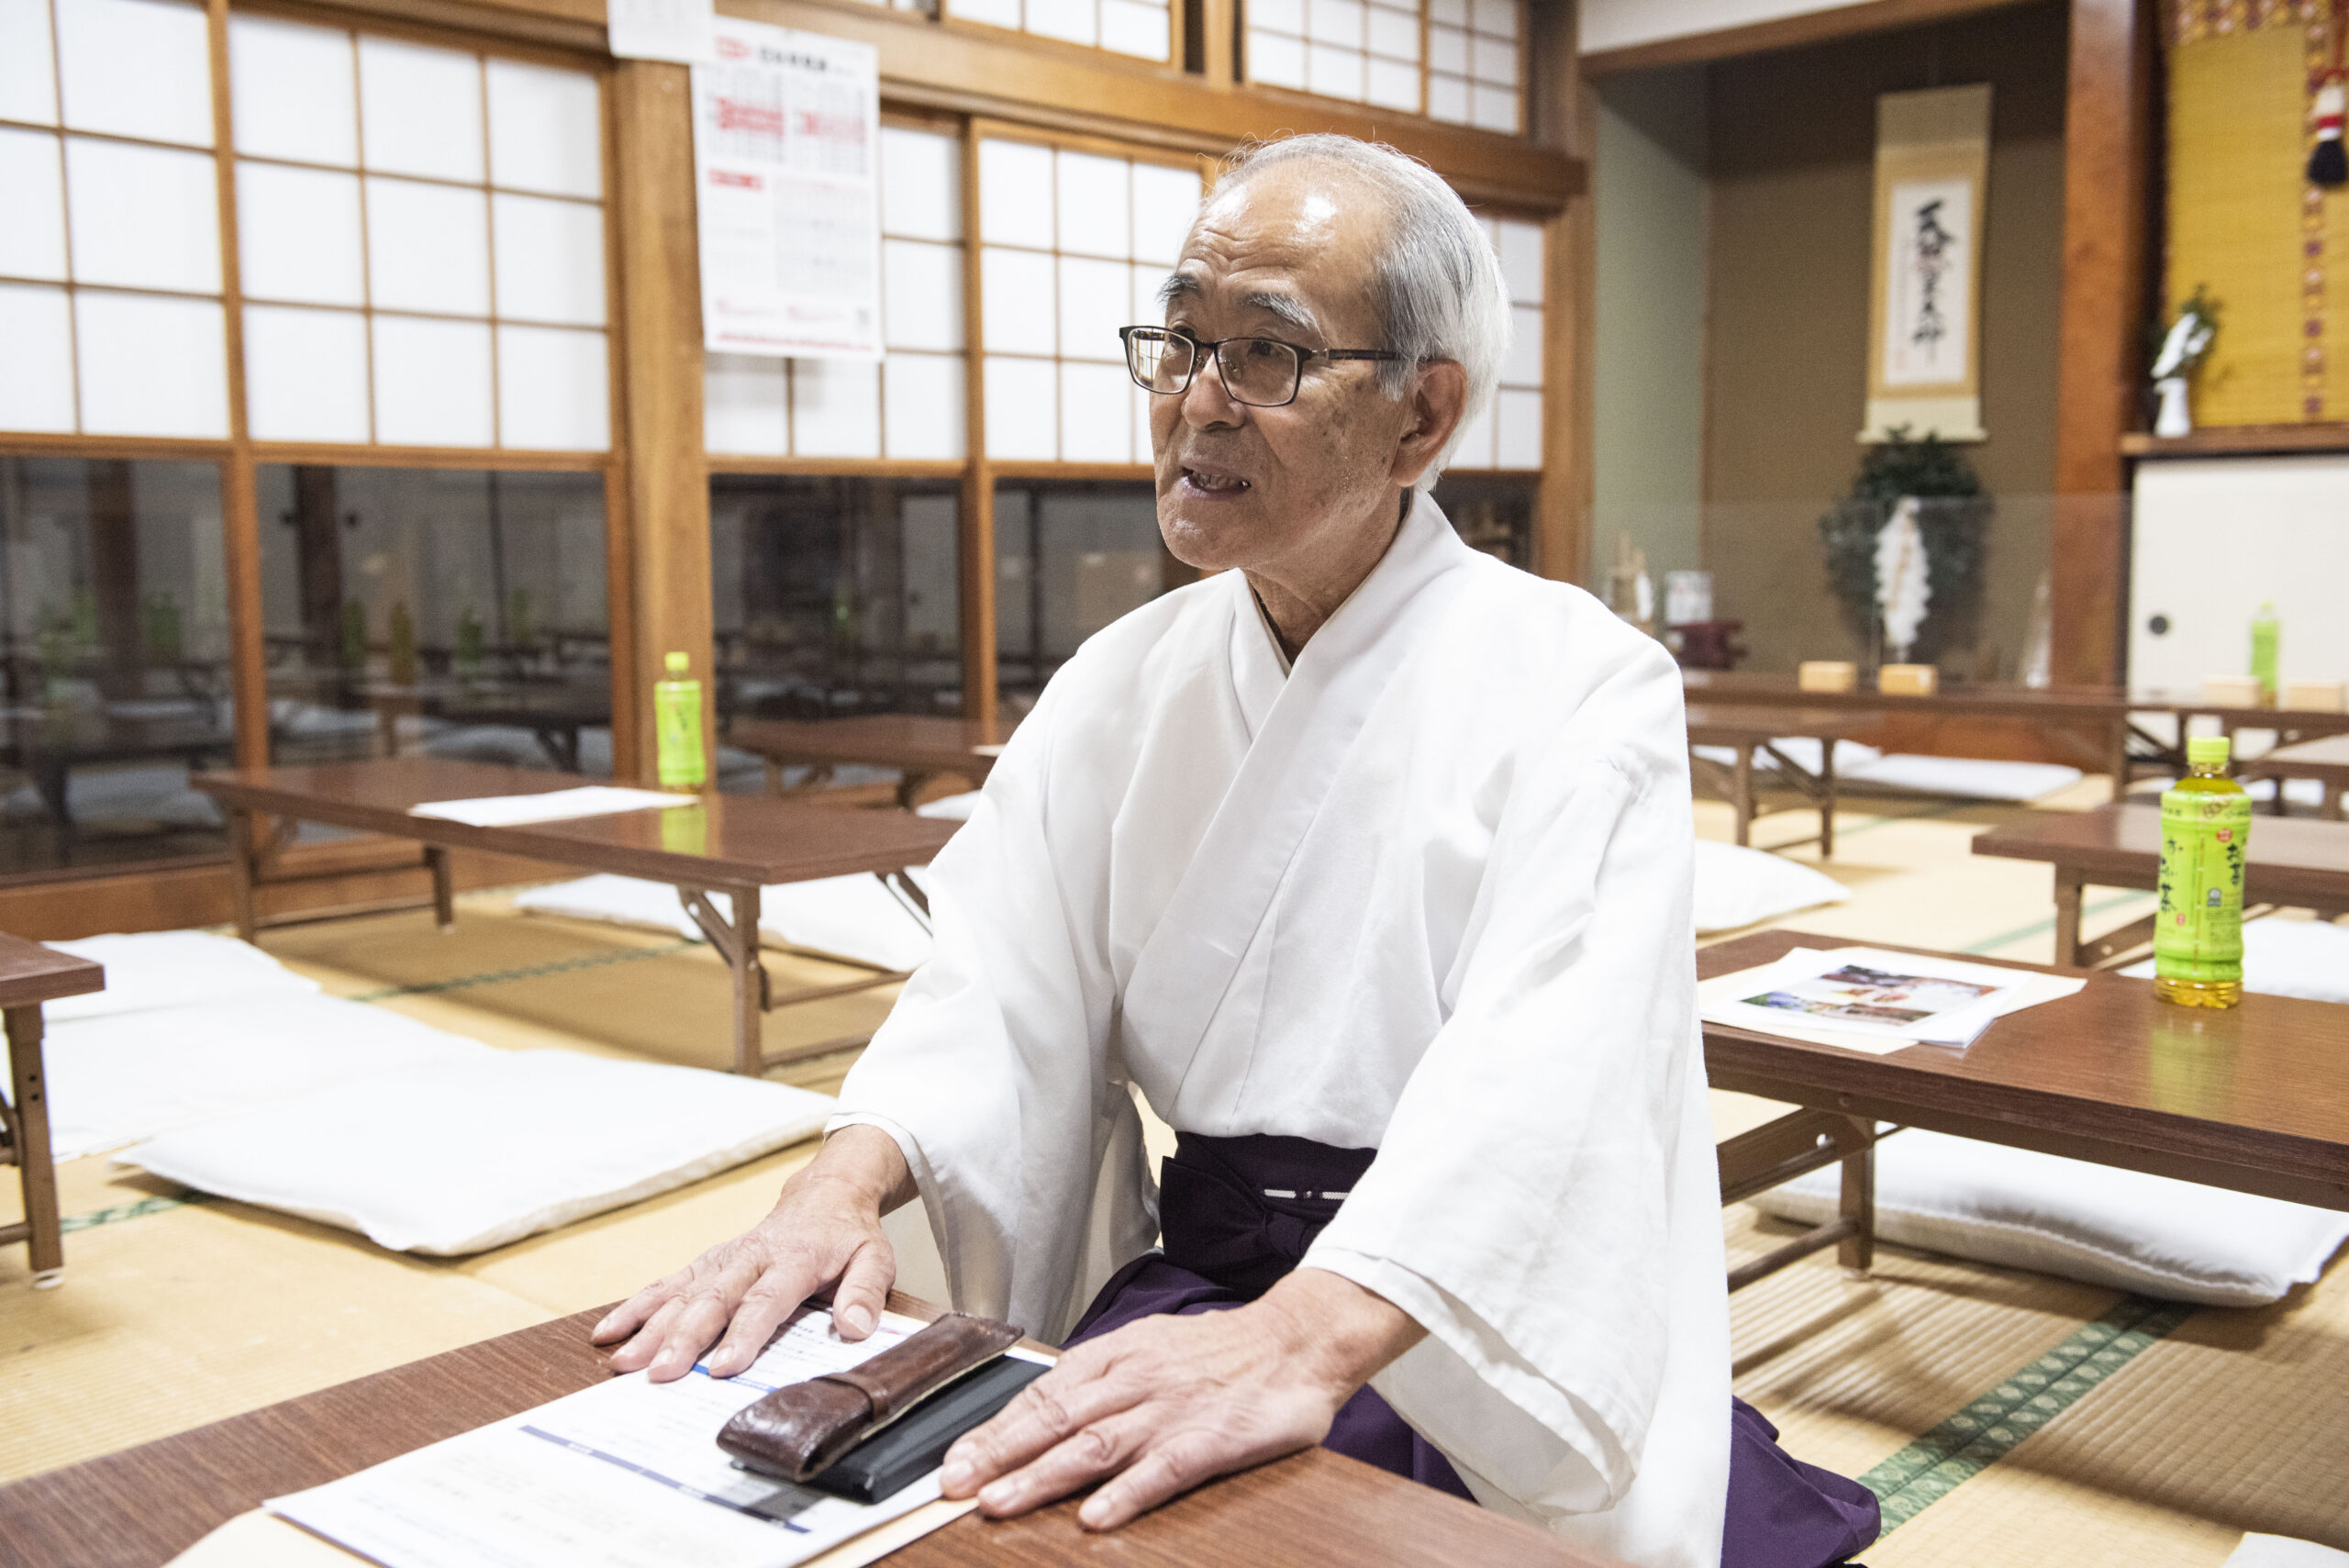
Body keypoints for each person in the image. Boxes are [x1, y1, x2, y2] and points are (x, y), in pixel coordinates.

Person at [594, 134, 1879, 1568]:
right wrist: (829, 1191)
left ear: (1421, 415)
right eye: (1179, 342)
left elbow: (1552, 1083)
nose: (1197, 402)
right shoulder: (1117, 683)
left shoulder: (1583, 682)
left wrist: (1307, 1342)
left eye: (1265, 354)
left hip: (1444, 1317)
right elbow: (993, 992)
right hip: (1211, 1292)